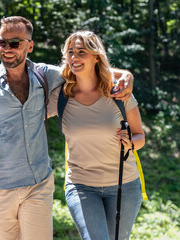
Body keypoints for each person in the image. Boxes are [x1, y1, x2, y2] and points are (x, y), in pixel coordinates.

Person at [0, 16, 133, 240]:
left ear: (30, 45)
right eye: (2, 43)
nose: (7, 49)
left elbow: (84, 69)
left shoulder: (45, 75)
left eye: (15, 43)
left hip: (38, 185)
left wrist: (125, 75)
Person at [48, 31, 145, 240]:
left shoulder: (119, 93)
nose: (74, 57)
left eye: (81, 52)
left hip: (124, 186)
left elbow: (140, 136)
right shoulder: (59, 96)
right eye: (70, 52)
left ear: (96, 56)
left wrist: (130, 144)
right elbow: (26, 117)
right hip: (81, 185)